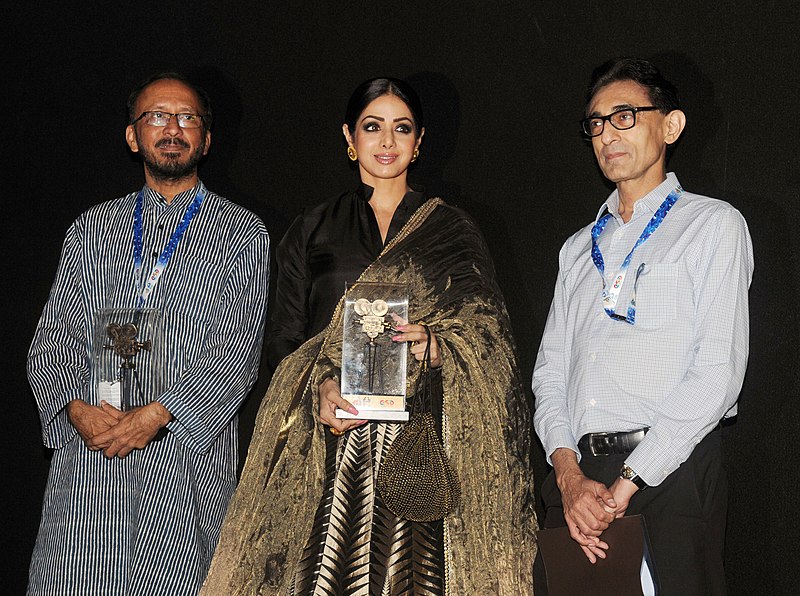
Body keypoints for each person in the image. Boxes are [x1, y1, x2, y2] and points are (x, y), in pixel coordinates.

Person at [202, 77, 537, 595]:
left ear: (419, 141)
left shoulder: (451, 229)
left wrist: (439, 345)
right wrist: (318, 391)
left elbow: (491, 340)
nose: (386, 142)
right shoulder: (313, 229)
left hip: (422, 452)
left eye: (401, 129)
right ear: (349, 137)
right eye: (372, 127)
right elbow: (285, 342)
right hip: (330, 448)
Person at [27, 72, 270, 595]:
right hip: (91, 463)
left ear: (207, 138)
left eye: (187, 118)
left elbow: (239, 352)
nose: (173, 129)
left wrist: (161, 414)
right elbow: (51, 340)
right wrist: (73, 407)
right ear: (133, 136)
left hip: (180, 464)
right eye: (156, 116)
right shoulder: (91, 228)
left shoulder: (241, 233)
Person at [532, 57, 753, 594]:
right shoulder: (577, 249)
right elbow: (550, 372)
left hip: (671, 473)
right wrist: (568, 478)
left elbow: (717, 373)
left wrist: (627, 484)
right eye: (597, 122)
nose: (607, 133)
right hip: (579, 486)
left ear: (671, 126)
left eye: (625, 115)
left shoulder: (712, 225)